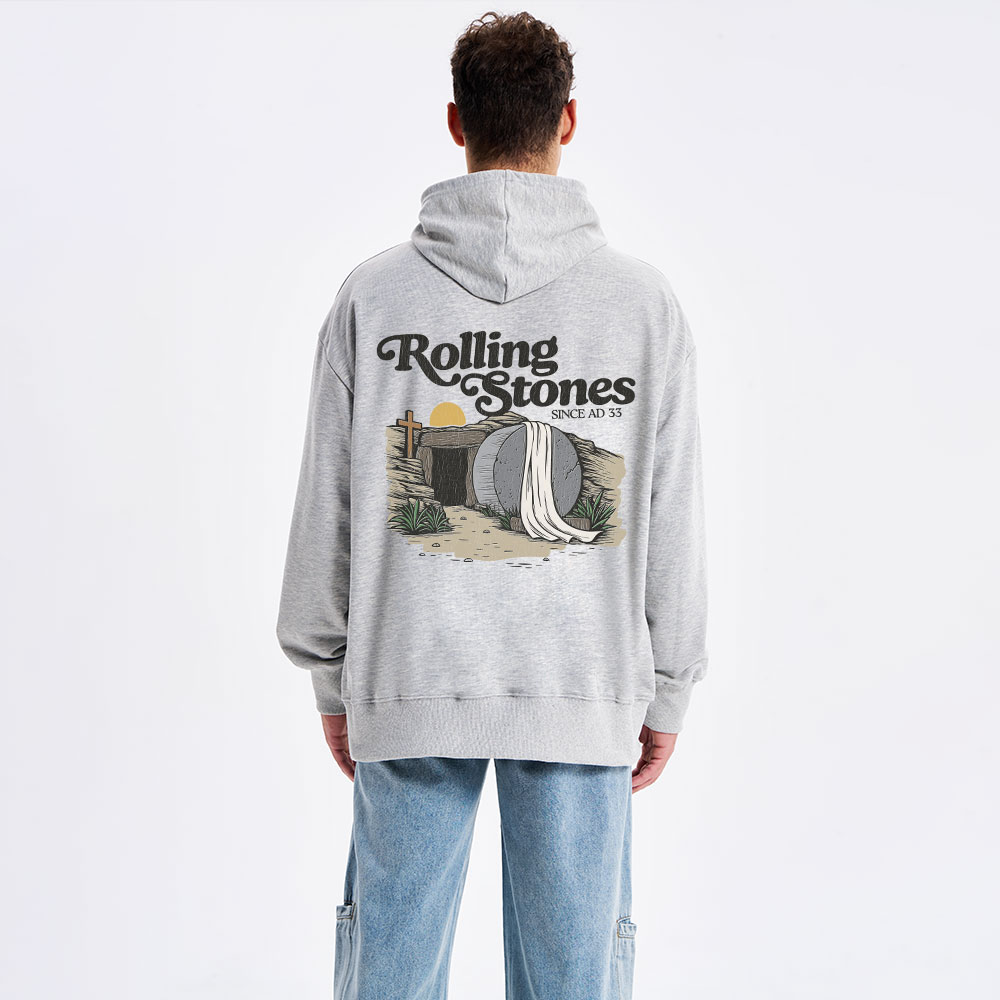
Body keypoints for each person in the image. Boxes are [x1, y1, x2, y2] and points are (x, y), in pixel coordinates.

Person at [276, 10, 708, 998]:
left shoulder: (374, 298)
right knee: (573, 978)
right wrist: (668, 683)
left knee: (388, 973)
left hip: (410, 669)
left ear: (454, 122)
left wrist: (333, 675)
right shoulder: (642, 307)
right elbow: (673, 511)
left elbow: (326, 502)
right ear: (568, 120)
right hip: (581, 678)